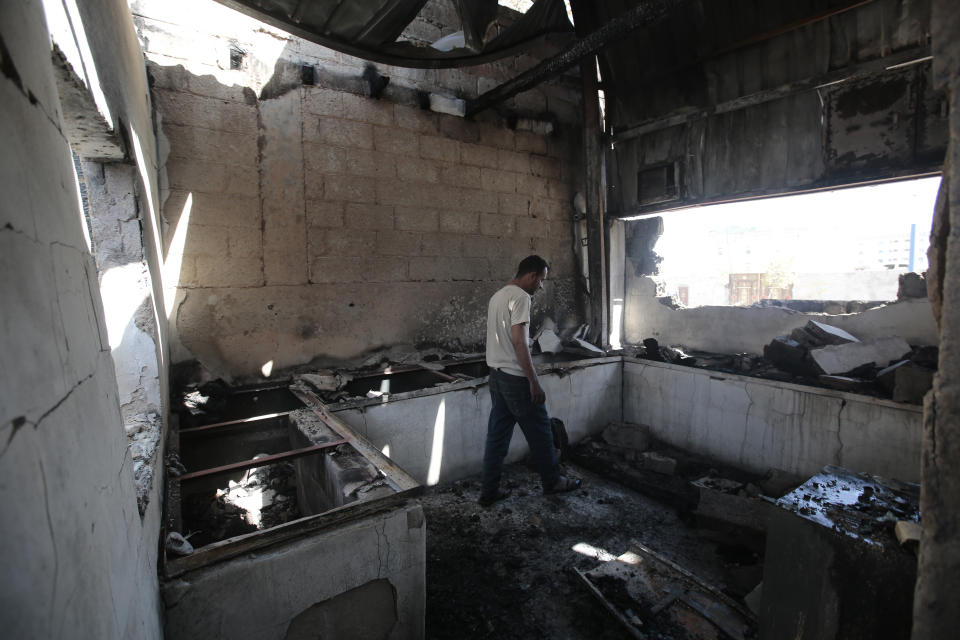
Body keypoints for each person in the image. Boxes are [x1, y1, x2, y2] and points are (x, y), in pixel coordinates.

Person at [478, 255, 581, 506]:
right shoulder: (522, 297)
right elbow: (519, 342)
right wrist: (534, 381)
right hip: (516, 379)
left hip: (497, 376)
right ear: (532, 275)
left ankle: (488, 491)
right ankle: (553, 481)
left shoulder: (498, 296)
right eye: (542, 280)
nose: (541, 286)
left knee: (497, 437)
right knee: (541, 433)